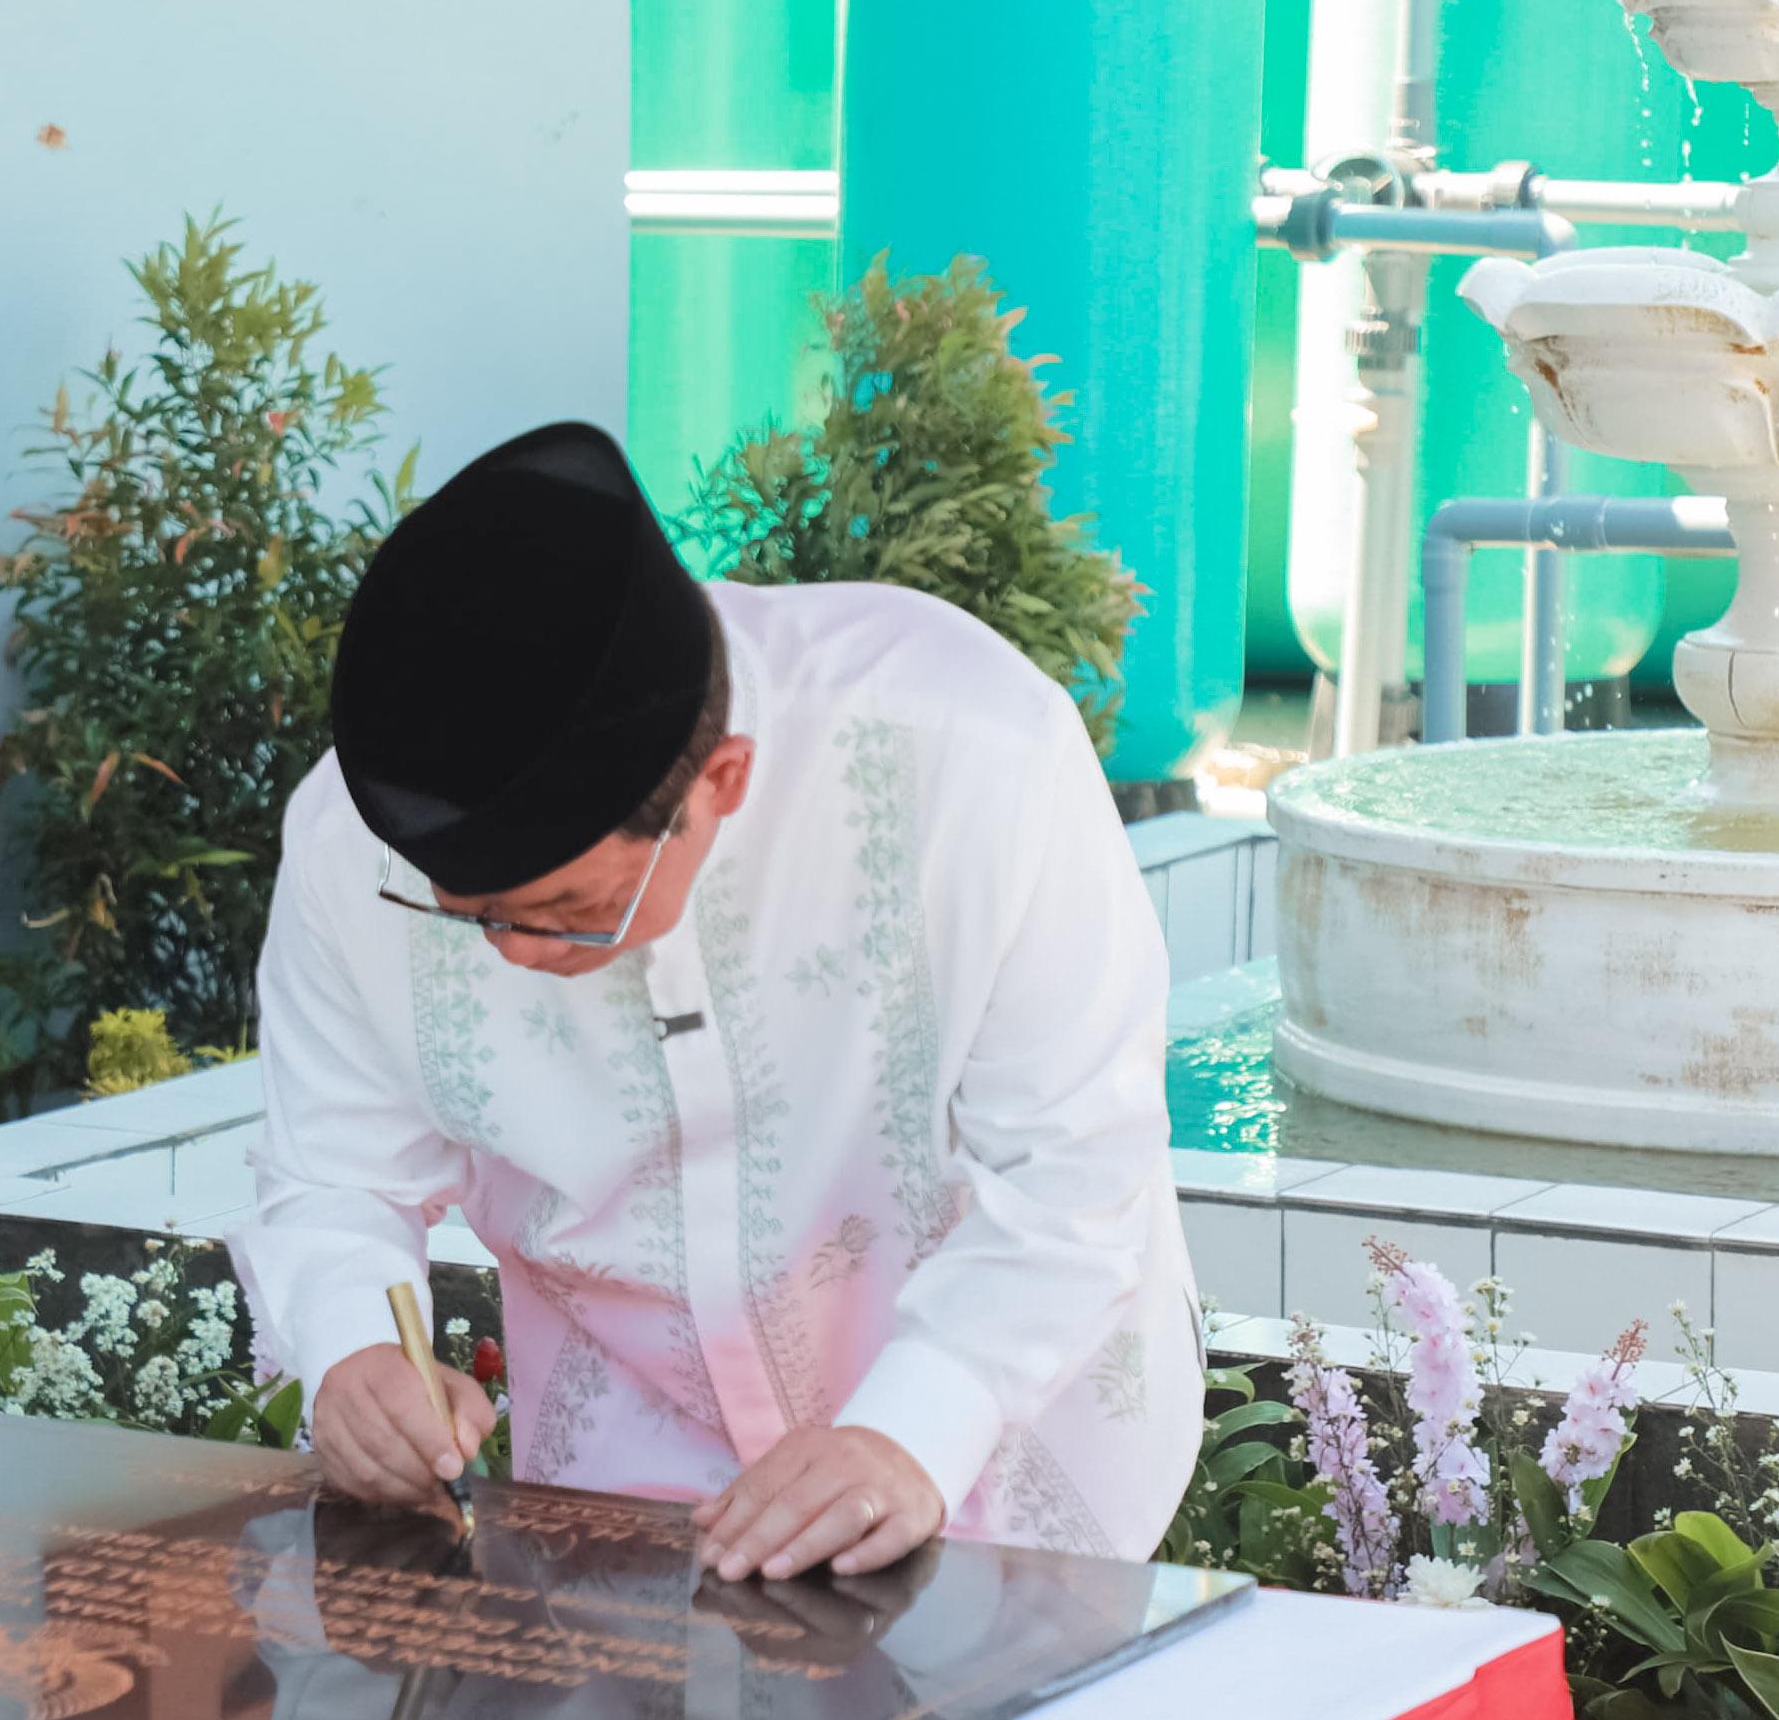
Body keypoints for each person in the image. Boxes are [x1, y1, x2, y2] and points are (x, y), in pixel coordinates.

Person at [229, 422, 1198, 1579]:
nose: (513, 954)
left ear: (721, 783)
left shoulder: (977, 756)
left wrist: (916, 1428)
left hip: (998, 1449)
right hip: (623, 1472)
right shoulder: (351, 838)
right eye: (466, 915)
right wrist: (352, 1348)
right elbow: (337, 1173)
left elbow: (1077, 1167)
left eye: (566, 910)